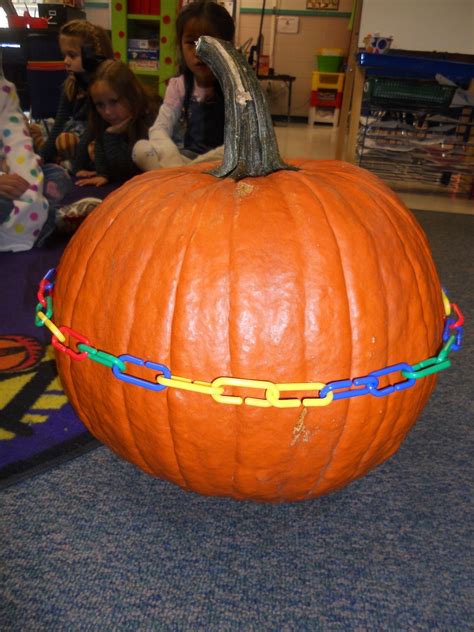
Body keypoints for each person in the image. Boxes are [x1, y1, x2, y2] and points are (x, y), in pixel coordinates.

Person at [132, 0, 235, 171]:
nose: (199, 51)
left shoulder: (236, 88)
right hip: (183, 161)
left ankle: (174, 179)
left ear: (228, 46)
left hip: (221, 163)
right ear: (180, 45)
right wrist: (172, 159)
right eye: (191, 42)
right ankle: (179, 176)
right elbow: (159, 129)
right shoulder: (179, 85)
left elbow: (242, 140)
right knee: (140, 149)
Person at [0, 75, 71, 252]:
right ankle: (48, 219)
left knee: (58, 176)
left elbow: (17, 143)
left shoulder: (5, 90)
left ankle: (39, 216)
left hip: (7, 178)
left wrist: (29, 184)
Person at [38, 20, 113, 172]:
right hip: (74, 130)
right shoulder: (72, 83)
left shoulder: (101, 85)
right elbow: (60, 120)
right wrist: (41, 158)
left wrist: (76, 169)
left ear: (91, 55)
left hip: (93, 136)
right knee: (35, 128)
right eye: (64, 55)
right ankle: (57, 157)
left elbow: (93, 130)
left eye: (72, 55)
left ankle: (67, 161)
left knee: (67, 140)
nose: (66, 61)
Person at [75, 60, 160, 187]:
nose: (107, 112)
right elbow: (91, 147)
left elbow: (129, 172)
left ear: (131, 94)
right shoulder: (101, 119)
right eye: (100, 105)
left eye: (114, 102)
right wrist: (102, 173)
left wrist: (111, 136)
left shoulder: (150, 117)